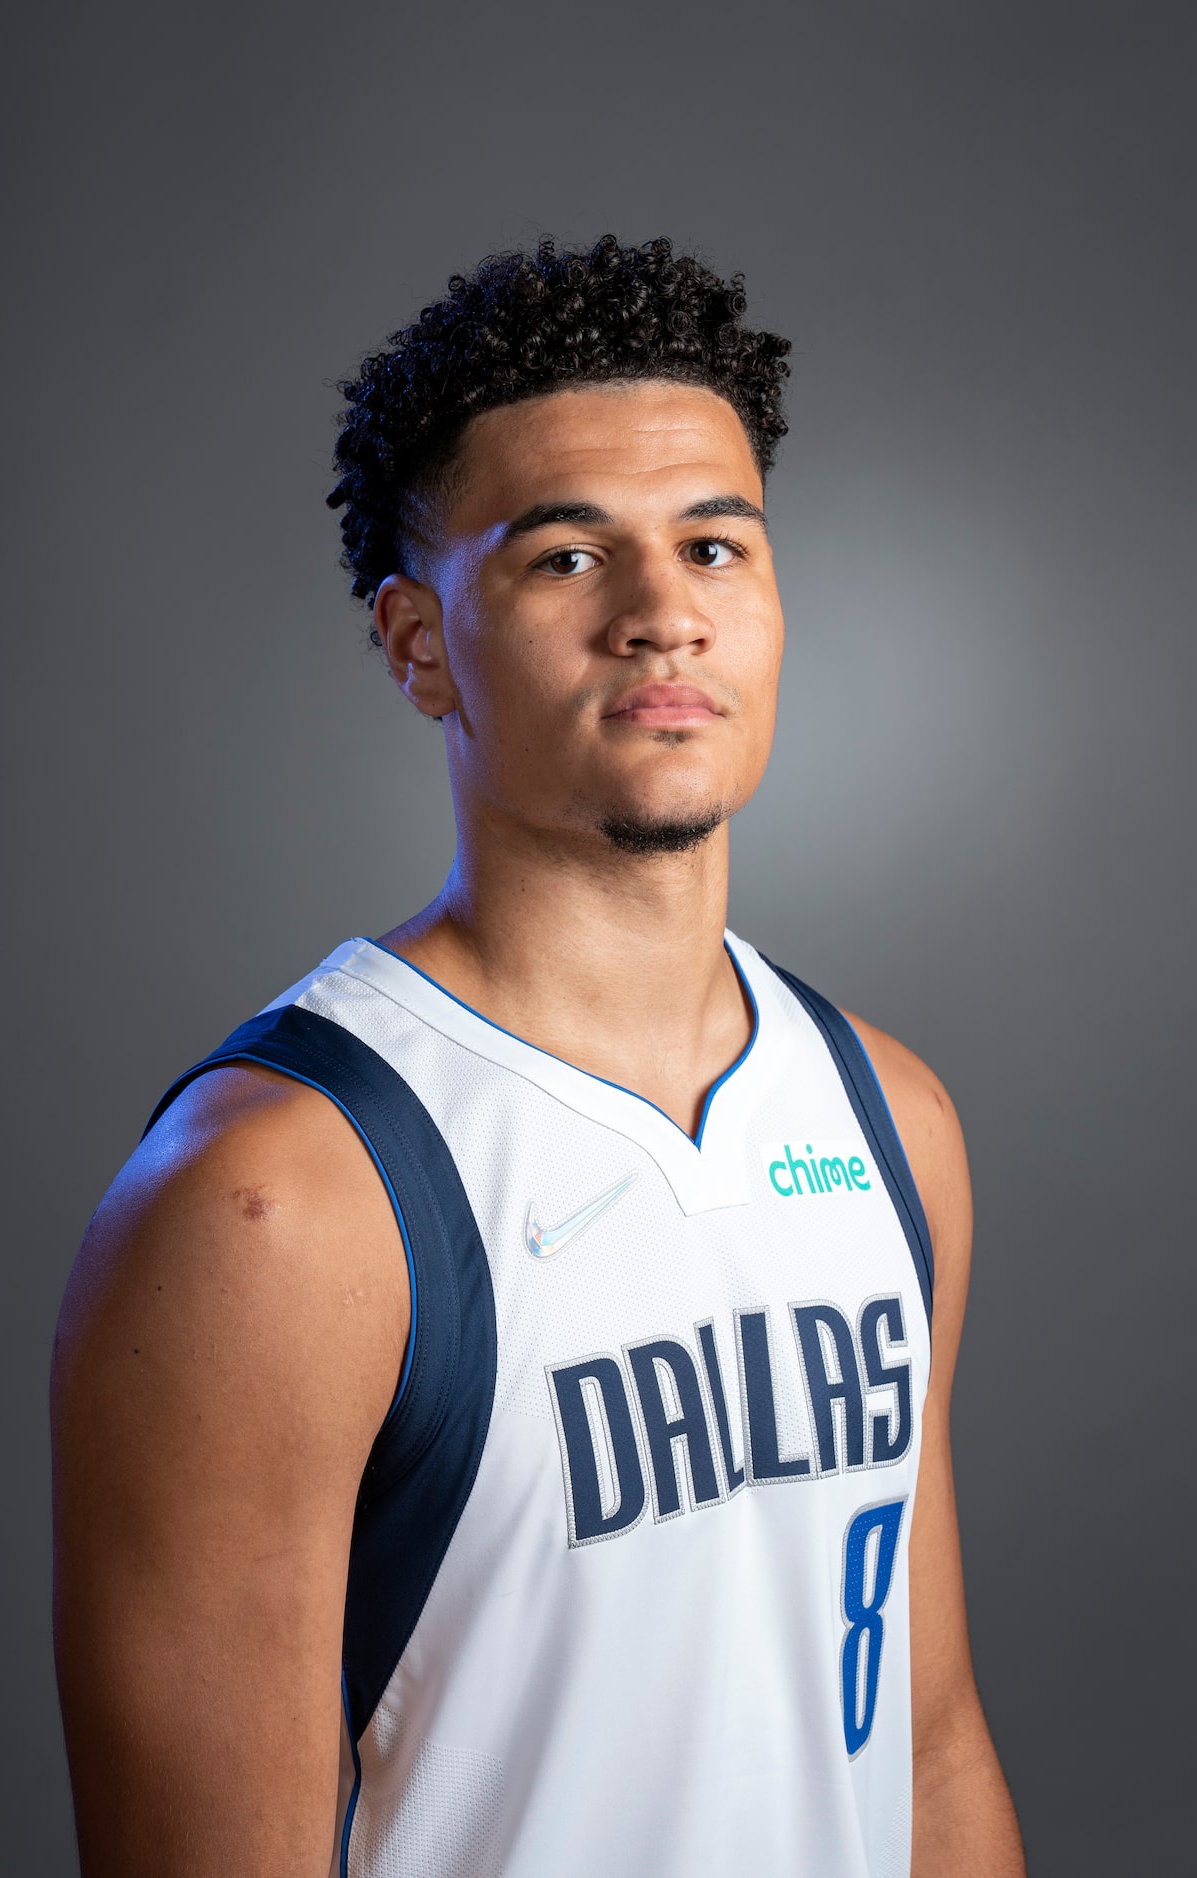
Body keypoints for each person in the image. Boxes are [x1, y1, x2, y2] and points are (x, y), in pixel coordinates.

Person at [51, 235, 1025, 1877]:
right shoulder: (274, 1209)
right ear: (420, 643)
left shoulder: (890, 1118)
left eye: (715, 546)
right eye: (567, 559)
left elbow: (925, 1750)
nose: (663, 616)